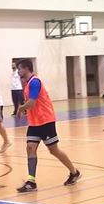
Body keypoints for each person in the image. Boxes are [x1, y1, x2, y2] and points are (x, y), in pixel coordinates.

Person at [15, 59, 80, 192]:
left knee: (54, 150)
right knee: (30, 148)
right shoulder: (27, 83)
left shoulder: (35, 82)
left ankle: (74, 172)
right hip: (34, 122)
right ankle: (31, 182)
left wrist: (21, 108)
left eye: (19, 69)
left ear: (26, 69)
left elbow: (32, 103)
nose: (18, 71)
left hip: (46, 121)